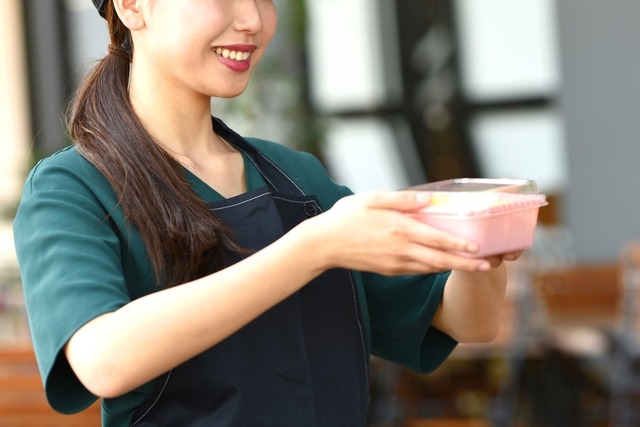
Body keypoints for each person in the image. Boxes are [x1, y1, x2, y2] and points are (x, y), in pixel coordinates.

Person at [13, 1, 519, 426]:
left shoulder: (299, 179)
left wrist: (483, 247)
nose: (253, 19)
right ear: (131, 5)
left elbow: (466, 322)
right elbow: (104, 359)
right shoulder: (72, 189)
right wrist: (313, 248)